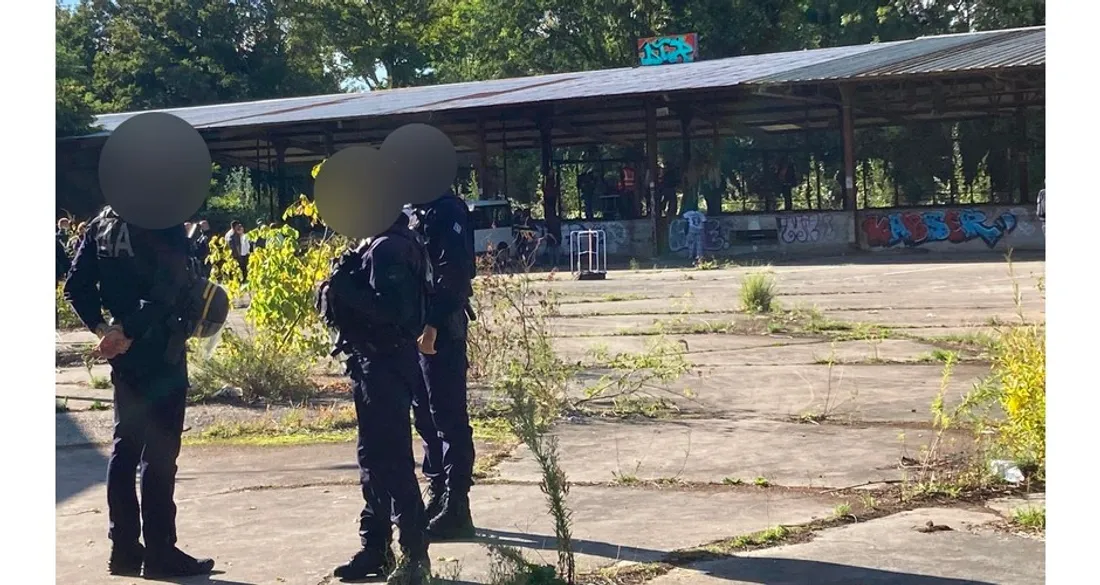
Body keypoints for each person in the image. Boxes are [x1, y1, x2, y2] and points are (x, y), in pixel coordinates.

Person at [63, 205, 223, 579]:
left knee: (125, 448)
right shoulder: (162, 219)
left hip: (124, 356)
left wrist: (106, 330)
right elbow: (168, 290)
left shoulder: (100, 224)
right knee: (160, 453)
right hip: (160, 352)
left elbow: (76, 286)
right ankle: (160, 552)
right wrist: (128, 330)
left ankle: (123, 551)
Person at [320, 212, 433, 585]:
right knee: (373, 458)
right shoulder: (379, 243)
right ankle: (376, 548)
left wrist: (346, 290)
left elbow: (394, 313)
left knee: (393, 460)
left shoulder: (390, 247)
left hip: (386, 363)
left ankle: (415, 554)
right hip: (373, 363)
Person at [412, 189, 477, 541]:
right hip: (418, 331)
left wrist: (432, 326)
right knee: (425, 416)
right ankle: (438, 493)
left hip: (442, 331)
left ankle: (457, 507)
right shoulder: (418, 211)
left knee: (449, 418)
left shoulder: (448, 210)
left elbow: (453, 275)